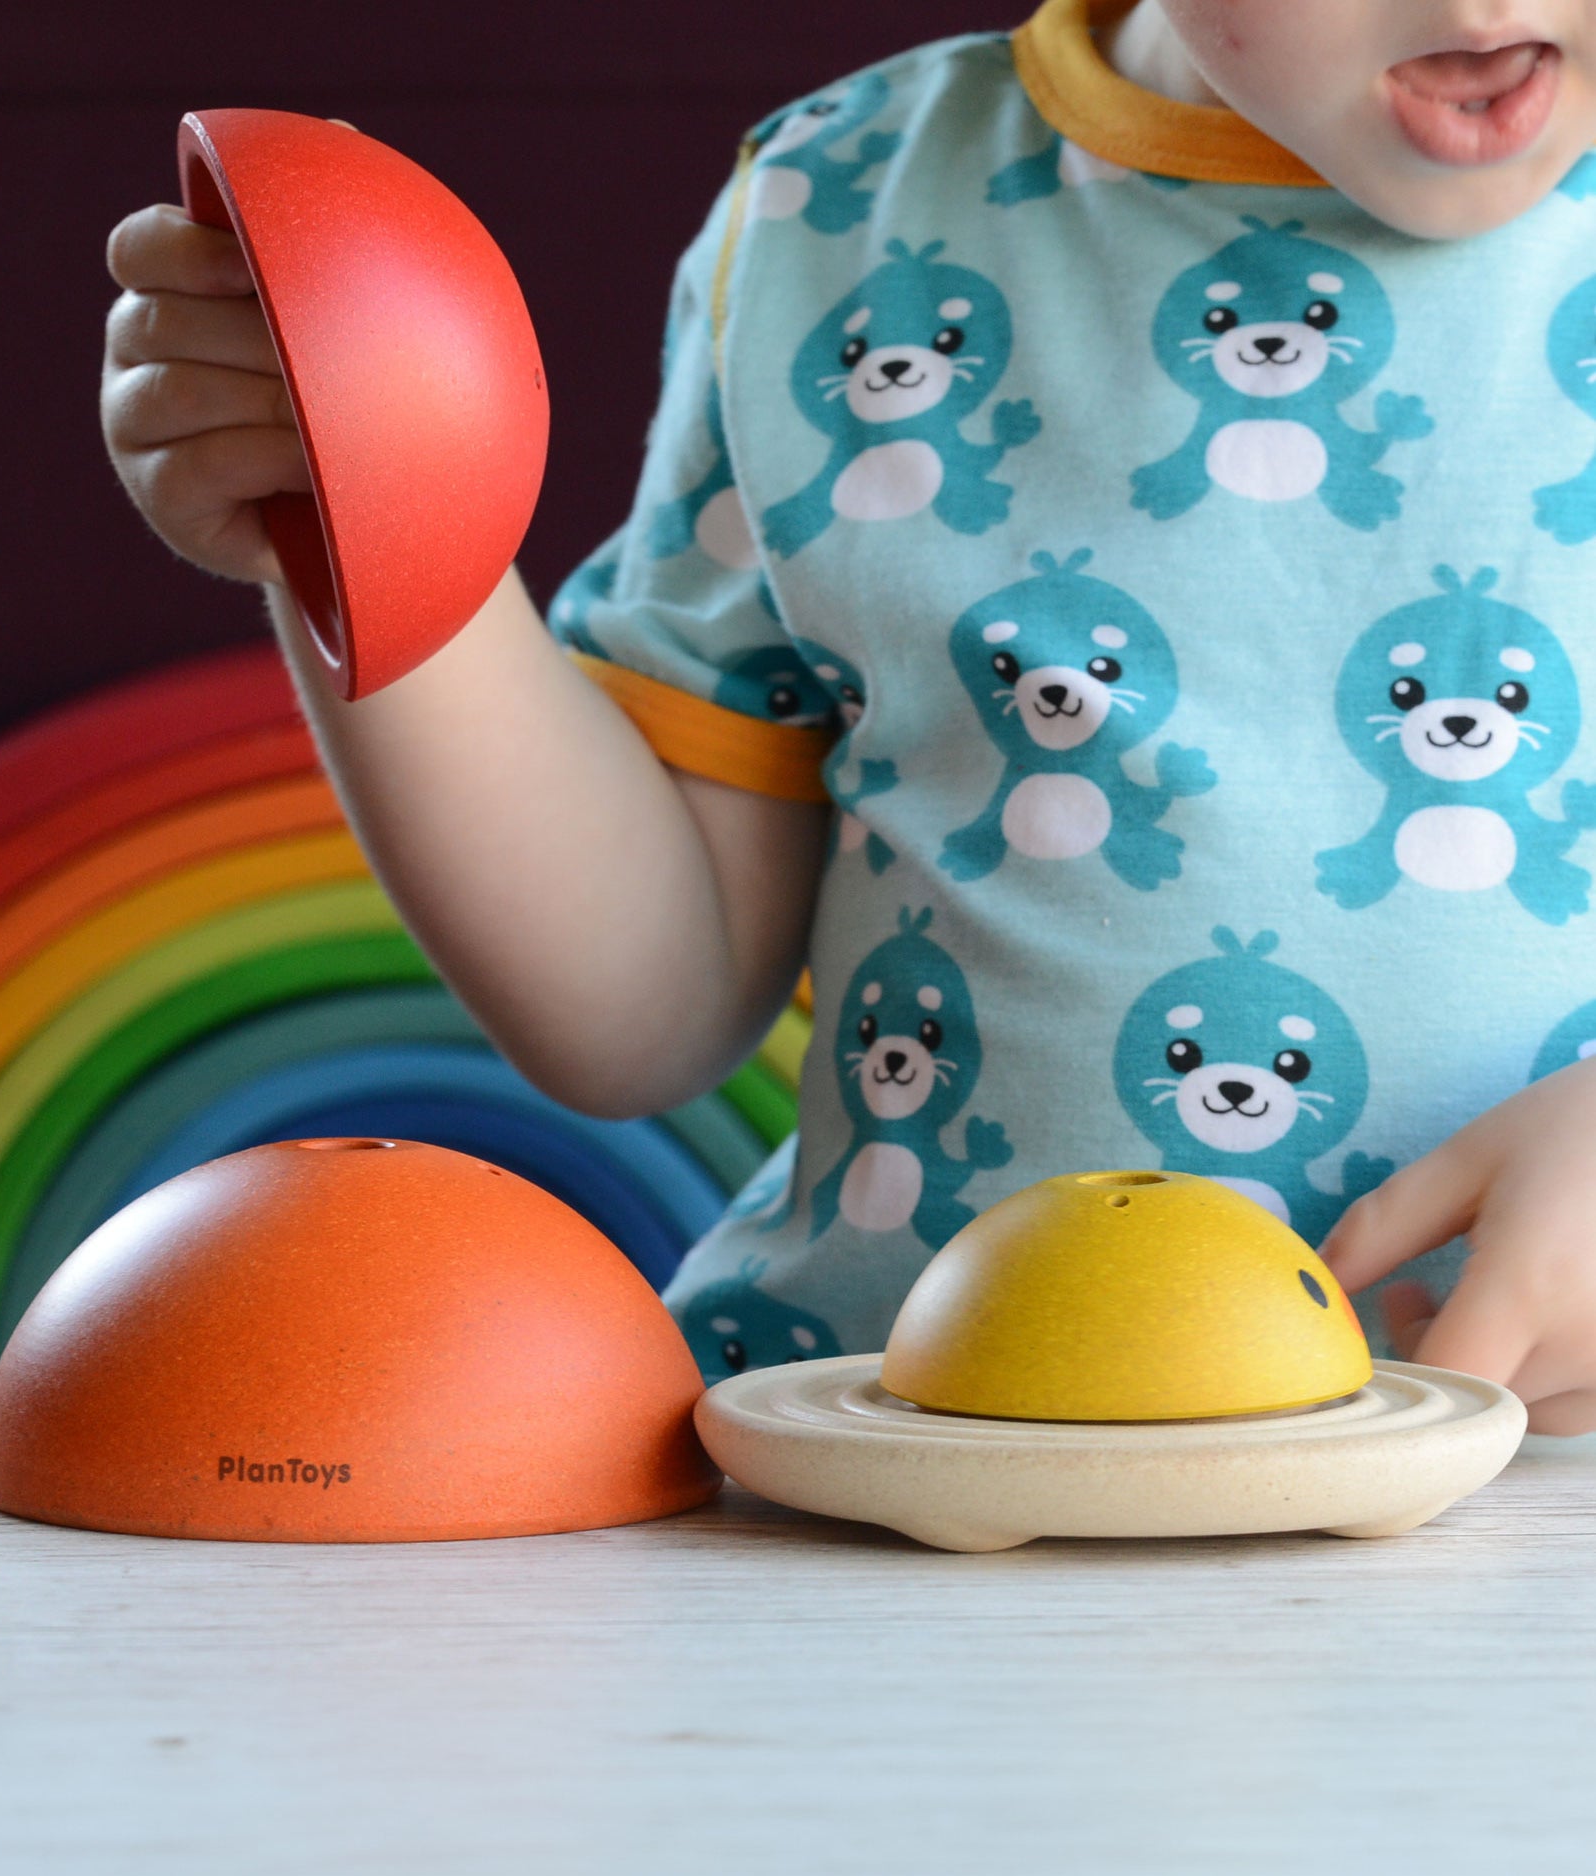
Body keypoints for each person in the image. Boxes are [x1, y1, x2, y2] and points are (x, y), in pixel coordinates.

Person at [102, 0, 1596, 1432]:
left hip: (1530, 1526)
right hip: (890, 1467)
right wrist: (361, 512)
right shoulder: (836, 209)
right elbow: (639, 1012)